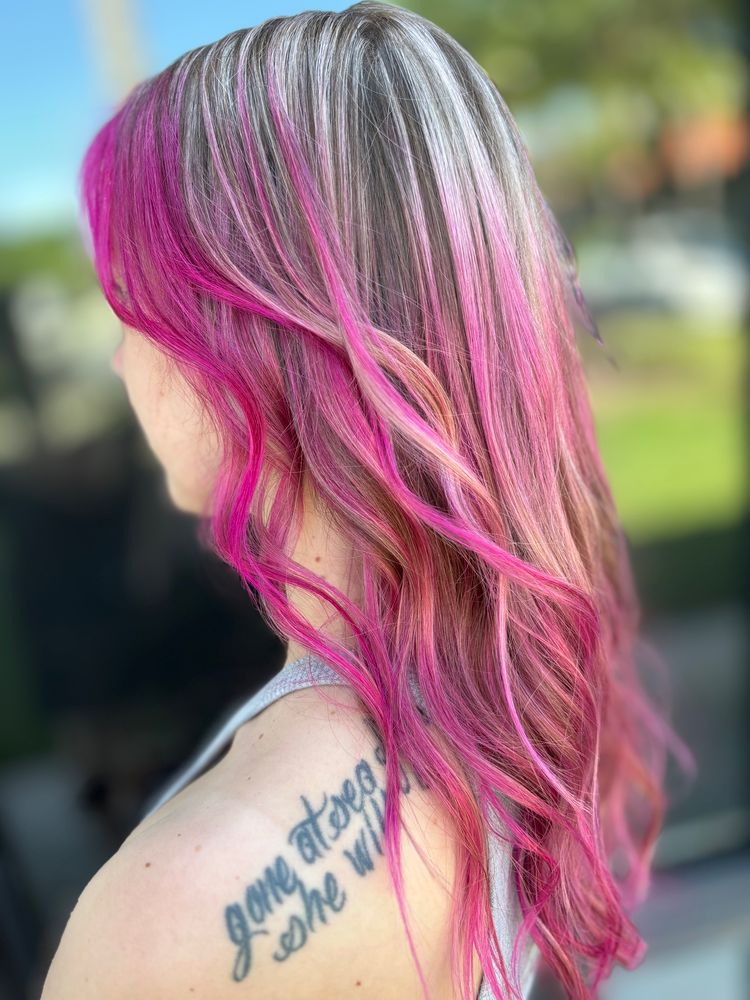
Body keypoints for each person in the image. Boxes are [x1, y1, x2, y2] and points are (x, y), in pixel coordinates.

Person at [41, 3, 693, 998]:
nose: (121, 360)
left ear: (243, 343)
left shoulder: (169, 920)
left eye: (130, 305)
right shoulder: (513, 681)